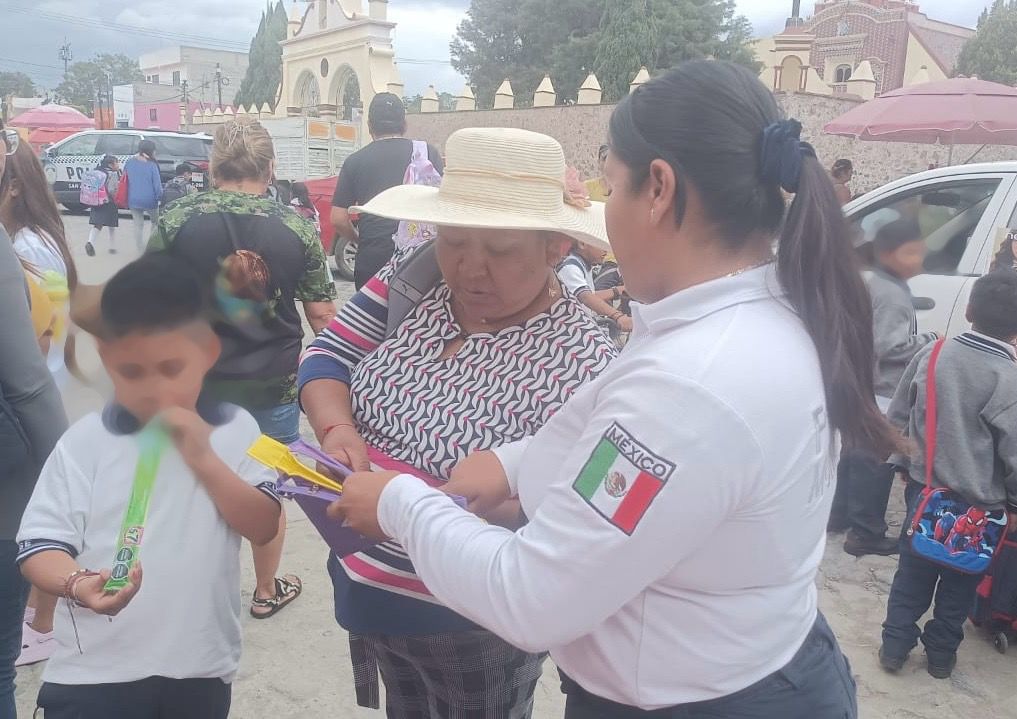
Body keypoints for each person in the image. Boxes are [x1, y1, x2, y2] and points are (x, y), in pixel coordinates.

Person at [332, 60, 891, 717]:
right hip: (745, 665)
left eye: (611, 184)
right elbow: (616, 442)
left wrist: (397, 501)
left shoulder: (695, 382)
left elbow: (531, 595)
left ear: (657, 188)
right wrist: (516, 463)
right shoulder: (735, 320)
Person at [298, 127, 617, 718]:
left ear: (556, 248)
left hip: (472, 626)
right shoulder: (416, 284)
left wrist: (496, 506)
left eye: (499, 251)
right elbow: (327, 355)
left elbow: (581, 518)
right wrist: (338, 431)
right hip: (366, 591)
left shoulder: (585, 364)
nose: (470, 268)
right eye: (454, 240)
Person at [17, 253, 281, 719]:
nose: (154, 390)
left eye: (171, 368)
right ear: (107, 358)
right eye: (132, 373)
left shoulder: (237, 432)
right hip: (93, 672)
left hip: (199, 667)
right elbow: (40, 546)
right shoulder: (87, 441)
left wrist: (203, 456)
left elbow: (263, 524)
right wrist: (78, 583)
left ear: (208, 353)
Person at [148, 118, 337, 618]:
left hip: (194, 386)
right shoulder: (297, 226)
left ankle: (195, 591)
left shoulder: (176, 220)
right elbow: (322, 315)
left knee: (193, 482)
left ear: (213, 168)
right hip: (271, 387)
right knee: (266, 488)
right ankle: (265, 589)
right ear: (271, 167)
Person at [880, 271, 1017, 680]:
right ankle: (940, 656)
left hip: (925, 492)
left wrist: (905, 465)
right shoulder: (1010, 380)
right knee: (960, 583)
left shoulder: (933, 354)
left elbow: (899, 415)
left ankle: (894, 646)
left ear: (970, 310)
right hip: (982, 507)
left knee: (913, 572)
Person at [0, 140, 80, 669]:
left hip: (34, 390)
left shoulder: (29, 243)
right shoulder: (28, 237)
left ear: (14, 188)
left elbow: (50, 321)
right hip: (32, 391)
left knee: (43, 517)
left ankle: (43, 624)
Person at [831, 219, 938, 557]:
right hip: (884, 388)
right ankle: (866, 532)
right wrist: (929, 340)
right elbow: (889, 346)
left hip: (866, 381)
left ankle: (838, 514)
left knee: (853, 451)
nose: (918, 260)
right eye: (910, 253)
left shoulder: (880, 284)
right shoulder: (891, 295)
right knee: (876, 461)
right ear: (888, 255)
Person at [331, 92, 444, 289]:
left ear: (369, 125)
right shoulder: (426, 153)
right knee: (417, 318)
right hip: (419, 258)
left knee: (372, 319)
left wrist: (358, 239)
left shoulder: (355, 161)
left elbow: (338, 218)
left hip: (373, 259)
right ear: (404, 124)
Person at [557, 237, 632, 333]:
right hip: (569, 330)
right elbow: (586, 297)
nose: (605, 251)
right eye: (600, 245)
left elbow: (591, 295)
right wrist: (618, 316)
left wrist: (618, 290)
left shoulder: (583, 265)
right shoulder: (571, 268)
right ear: (582, 243)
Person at [123, 139, 163, 252]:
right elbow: (157, 186)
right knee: (155, 222)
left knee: (138, 224)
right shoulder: (152, 165)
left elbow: (125, 178)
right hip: (150, 200)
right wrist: (160, 197)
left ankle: (139, 247)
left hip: (133, 199)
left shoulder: (129, 162)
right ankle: (150, 246)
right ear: (151, 151)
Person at [85, 155, 121, 256]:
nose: (118, 165)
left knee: (97, 224)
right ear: (110, 164)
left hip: (96, 201)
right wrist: (116, 198)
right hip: (108, 202)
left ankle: (90, 242)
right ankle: (112, 247)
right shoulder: (113, 174)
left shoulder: (97, 171)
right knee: (111, 224)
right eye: (116, 162)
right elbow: (111, 190)